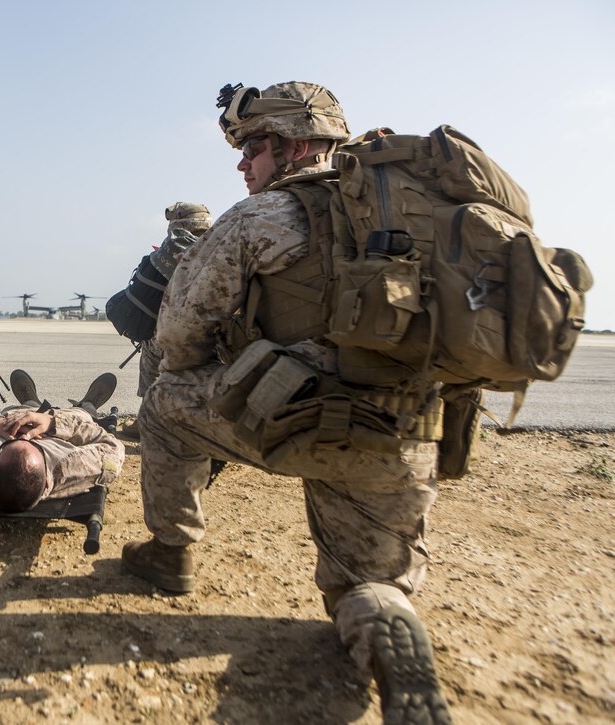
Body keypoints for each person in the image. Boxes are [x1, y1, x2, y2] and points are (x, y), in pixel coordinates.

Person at [120, 83, 452, 723]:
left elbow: (177, 337)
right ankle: (388, 627)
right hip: (401, 434)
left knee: (162, 402)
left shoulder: (258, 218)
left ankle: (172, 551)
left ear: (297, 146)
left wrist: (238, 370)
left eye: (253, 148)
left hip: (292, 421)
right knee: (367, 585)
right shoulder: (422, 213)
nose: (242, 164)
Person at [0, 370, 123, 510]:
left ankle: (30, 402)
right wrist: (53, 423)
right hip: (67, 425)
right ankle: (89, 403)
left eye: (12, 441)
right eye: (35, 443)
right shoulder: (71, 466)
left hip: (16, 416)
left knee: (17, 412)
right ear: (47, 481)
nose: (23, 435)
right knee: (81, 414)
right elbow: (112, 446)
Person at [120, 202, 212, 441]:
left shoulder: (173, 247)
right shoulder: (223, 243)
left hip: (175, 332)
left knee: (151, 351)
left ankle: (146, 419)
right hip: (221, 334)